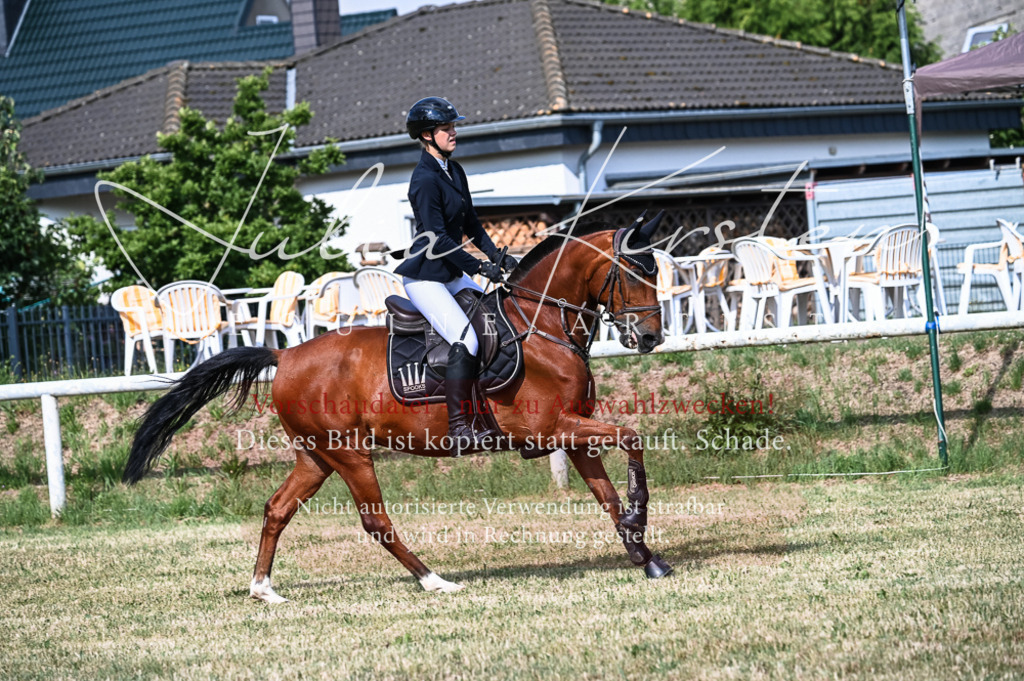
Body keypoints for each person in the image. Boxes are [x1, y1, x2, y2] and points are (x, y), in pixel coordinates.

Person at [395, 96, 509, 454]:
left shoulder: (454, 170)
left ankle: (490, 414)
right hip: (427, 277)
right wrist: (478, 267)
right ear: (427, 135)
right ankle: (460, 427)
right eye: (447, 128)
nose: (454, 132)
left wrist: (500, 257)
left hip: (450, 272)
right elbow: (438, 237)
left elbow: (471, 223)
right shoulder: (424, 180)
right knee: (467, 341)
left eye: (453, 126)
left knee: (494, 320)